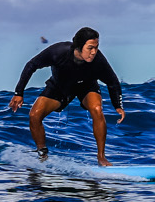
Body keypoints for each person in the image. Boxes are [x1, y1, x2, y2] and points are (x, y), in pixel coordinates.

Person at [8, 27, 124, 165]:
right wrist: (19, 93)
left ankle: (101, 158)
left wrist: (118, 105)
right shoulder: (58, 52)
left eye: (96, 47)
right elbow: (31, 65)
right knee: (34, 115)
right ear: (79, 46)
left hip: (87, 87)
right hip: (59, 88)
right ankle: (42, 154)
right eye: (90, 48)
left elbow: (113, 82)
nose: (94, 52)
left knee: (97, 109)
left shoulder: (98, 60)